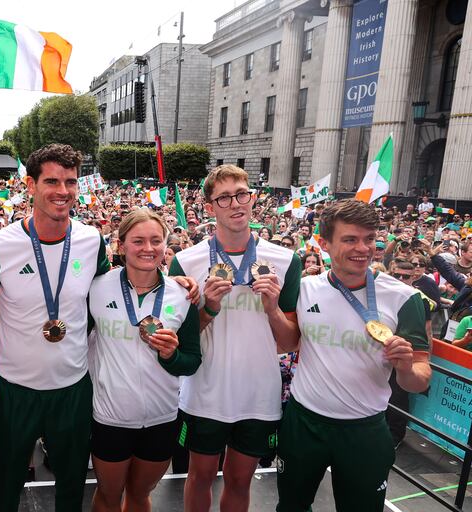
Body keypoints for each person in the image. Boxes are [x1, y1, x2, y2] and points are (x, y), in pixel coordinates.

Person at [276, 199, 431, 511]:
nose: (363, 248)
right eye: (350, 239)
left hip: (365, 430)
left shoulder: (406, 298)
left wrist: (404, 367)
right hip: (304, 423)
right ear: (324, 243)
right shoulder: (305, 289)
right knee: (291, 507)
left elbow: (419, 380)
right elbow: (288, 343)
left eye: (370, 239)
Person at [0, 144, 111, 512]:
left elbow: (105, 299)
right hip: (15, 389)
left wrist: (174, 284)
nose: (62, 191)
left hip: (71, 387)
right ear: (30, 185)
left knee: (71, 487)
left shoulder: (91, 240)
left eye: (70, 181)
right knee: (5, 483)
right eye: (51, 181)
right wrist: (1, 326)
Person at [168, 164, 301, 512]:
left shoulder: (286, 260)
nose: (235, 203)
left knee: (240, 481)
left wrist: (272, 308)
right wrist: (209, 306)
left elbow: (289, 343)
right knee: (199, 476)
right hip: (205, 392)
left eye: (241, 194)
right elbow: (180, 340)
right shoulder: (185, 261)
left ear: (252, 198)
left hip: (258, 393)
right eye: (224, 198)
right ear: (209, 207)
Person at [88, 208, 201, 512]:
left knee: (139, 496)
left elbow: (191, 361)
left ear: (167, 245)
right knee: (109, 498)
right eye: (138, 241)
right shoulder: (96, 288)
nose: (148, 249)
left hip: (162, 418)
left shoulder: (182, 295)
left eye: (156, 241)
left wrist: (171, 355)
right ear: (121, 246)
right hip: (110, 417)